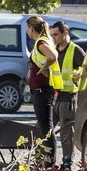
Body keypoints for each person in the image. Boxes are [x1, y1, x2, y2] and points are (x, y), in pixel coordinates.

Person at [49, 21, 86, 170]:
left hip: (68, 98)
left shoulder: (75, 50)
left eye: (56, 34)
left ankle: (67, 165)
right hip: (53, 98)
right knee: (45, 131)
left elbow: (86, 69)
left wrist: (79, 76)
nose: (54, 38)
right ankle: (49, 161)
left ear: (65, 33)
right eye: (52, 35)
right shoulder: (53, 50)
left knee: (66, 135)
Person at [25, 16, 62, 160]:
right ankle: (45, 161)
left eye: (27, 28)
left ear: (31, 28)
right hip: (43, 89)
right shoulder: (43, 41)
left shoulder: (41, 42)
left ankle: (50, 163)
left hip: (43, 91)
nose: (26, 31)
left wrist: (44, 68)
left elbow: (52, 56)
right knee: (44, 127)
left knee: (47, 128)